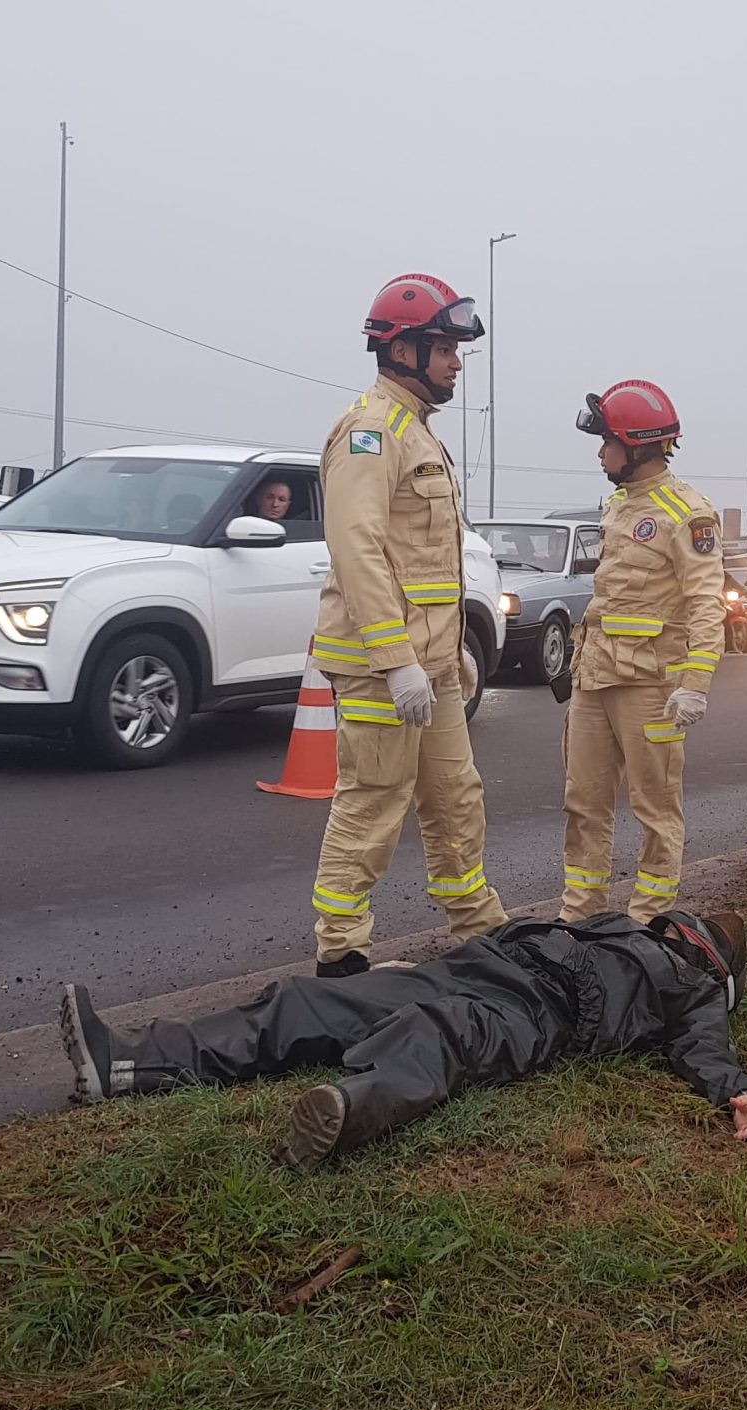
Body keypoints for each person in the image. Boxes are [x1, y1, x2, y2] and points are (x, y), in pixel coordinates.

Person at [58, 910, 747, 1166]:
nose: (684, 928)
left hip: (538, 1016)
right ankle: (123, 1063)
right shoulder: (621, 927)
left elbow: (706, 1048)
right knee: (310, 1002)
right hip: (472, 967)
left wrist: (737, 1093)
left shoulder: (692, 991)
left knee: (441, 1035)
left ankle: (350, 1108)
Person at [303, 274, 506, 978]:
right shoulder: (370, 433)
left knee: (457, 798)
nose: (455, 362)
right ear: (403, 349)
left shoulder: (415, 431)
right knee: (373, 806)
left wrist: (445, 655)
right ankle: (342, 956)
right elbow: (356, 551)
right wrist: (396, 661)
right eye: (444, 348)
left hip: (434, 669)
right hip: (378, 667)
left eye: (455, 349)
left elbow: (424, 564)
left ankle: (477, 932)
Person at [559, 380, 726, 923]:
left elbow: (707, 603)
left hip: (651, 685)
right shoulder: (618, 506)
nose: (600, 453)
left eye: (606, 441)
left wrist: (695, 686)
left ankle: (647, 923)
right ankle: (580, 919)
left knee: (656, 808)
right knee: (584, 803)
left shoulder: (689, 513)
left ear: (636, 446)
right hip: (595, 678)